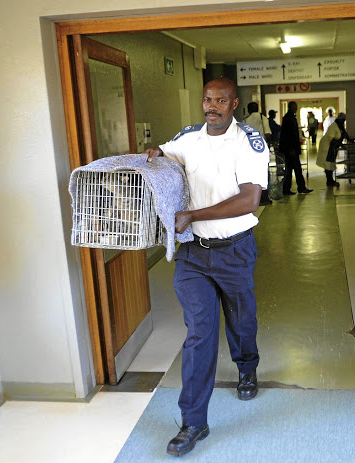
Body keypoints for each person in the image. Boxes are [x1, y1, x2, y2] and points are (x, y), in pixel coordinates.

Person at [144, 77, 268, 457]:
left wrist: (193, 214)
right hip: (193, 254)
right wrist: (153, 153)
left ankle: (247, 364)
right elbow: (161, 155)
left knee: (240, 317)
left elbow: (249, 199)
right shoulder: (188, 138)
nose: (211, 106)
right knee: (199, 332)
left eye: (220, 100)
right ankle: (193, 421)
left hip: (234, 250)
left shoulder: (249, 142)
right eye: (207, 100)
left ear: (234, 104)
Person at [280, 101, 313, 195]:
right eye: (295, 107)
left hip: (291, 148)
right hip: (290, 149)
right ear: (290, 107)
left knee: (290, 169)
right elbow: (288, 135)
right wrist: (291, 149)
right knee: (296, 168)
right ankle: (300, 187)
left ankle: (287, 189)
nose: (296, 108)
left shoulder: (290, 117)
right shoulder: (288, 118)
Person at [244, 102, 272, 205]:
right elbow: (268, 133)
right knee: (264, 173)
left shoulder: (246, 120)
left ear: (249, 110)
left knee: (252, 174)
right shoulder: (262, 117)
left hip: (249, 150)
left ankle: (255, 198)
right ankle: (264, 198)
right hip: (261, 150)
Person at [316, 112, 350, 187]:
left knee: (331, 164)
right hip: (327, 146)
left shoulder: (340, 126)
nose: (343, 121)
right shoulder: (333, 126)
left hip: (333, 146)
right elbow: (331, 139)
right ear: (339, 119)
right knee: (328, 164)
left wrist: (350, 140)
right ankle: (329, 181)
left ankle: (330, 181)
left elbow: (344, 134)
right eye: (342, 120)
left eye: (344, 120)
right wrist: (341, 145)